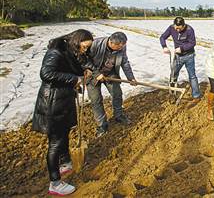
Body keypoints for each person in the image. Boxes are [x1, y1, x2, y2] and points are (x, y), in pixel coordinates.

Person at [32, 29, 93, 196]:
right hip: (52, 104)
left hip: (62, 101)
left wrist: (83, 73)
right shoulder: (55, 52)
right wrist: (75, 79)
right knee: (55, 143)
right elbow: (46, 73)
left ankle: (65, 163)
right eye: (84, 47)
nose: (85, 50)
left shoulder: (68, 52)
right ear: (77, 41)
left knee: (63, 134)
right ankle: (55, 183)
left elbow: (69, 69)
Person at [86, 32, 137, 137]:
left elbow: (125, 62)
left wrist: (130, 77)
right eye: (119, 47)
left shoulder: (121, 46)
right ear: (111, 42)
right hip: (92, 75)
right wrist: (96, 73)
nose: (121, 48)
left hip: (110, 73)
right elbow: (85, 61)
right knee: (96, 100)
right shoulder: (96, 44)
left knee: (117, 94)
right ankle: (102, 125)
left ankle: (118, 115)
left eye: (123, 46)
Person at [159, 17, 201, 103]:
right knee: (173, 75)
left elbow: (192, 43)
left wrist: (181, 48)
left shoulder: (189, 30)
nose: (177, 30)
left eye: (179, 28)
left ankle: (196, 96)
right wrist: (164, 47)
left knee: (192, 76)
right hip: (177, 57)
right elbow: (162, 37)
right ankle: (172, 95)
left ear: (183, 25)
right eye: (176, 28)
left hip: (189, 56)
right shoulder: (171, 28)